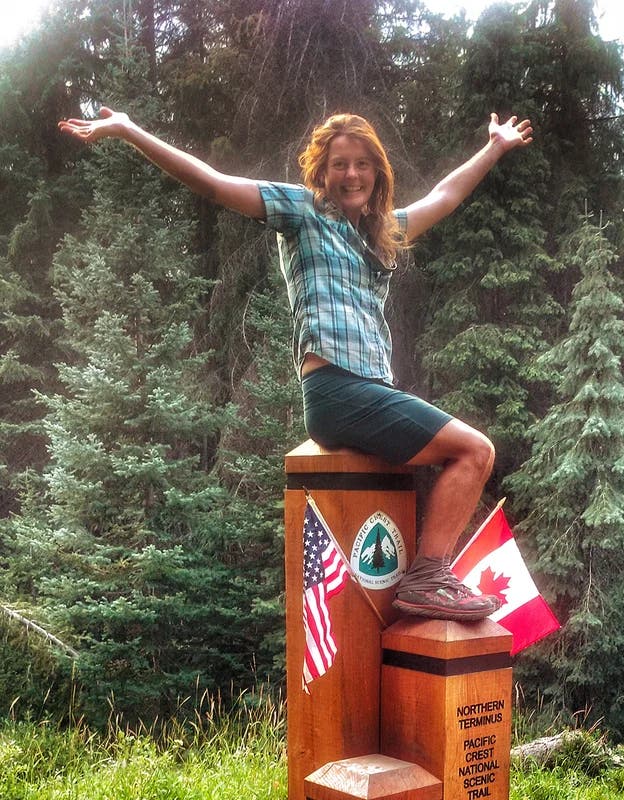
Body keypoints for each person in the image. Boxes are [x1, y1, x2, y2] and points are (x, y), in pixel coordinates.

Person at [58, 106, 533, 621]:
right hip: (336, 390)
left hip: (370, 391)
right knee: (475, 451)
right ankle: (429, 576)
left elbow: (444, 197)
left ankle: (418, 582)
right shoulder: (302, 212)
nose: (351, 174)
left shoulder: (384, 232)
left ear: (377, 173)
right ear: (322, 173)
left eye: (362, 164)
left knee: (440, 467)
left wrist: (494, 147)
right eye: (339, 164)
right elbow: (214, 182)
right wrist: (130, 130)